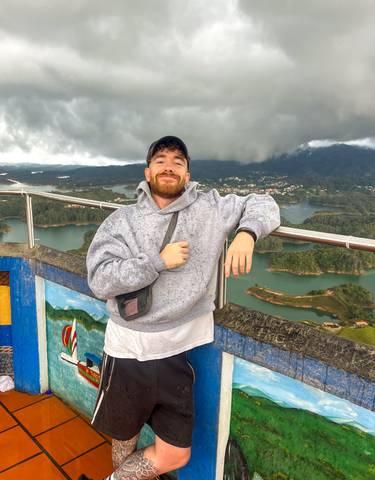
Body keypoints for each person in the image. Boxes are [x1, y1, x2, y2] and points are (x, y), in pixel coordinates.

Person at [82, 135, 280, 480]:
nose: (169, 166)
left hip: (179, 351)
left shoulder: (211, 208)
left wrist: (247, 233)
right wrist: (156, 262)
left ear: (187, 174)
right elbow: (100, 280)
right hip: (129, 349)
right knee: (123, 438)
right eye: (160, 161)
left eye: (178, 161)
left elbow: (264, 203)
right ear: (147, 172)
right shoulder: (122, 221)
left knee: (175, 454)